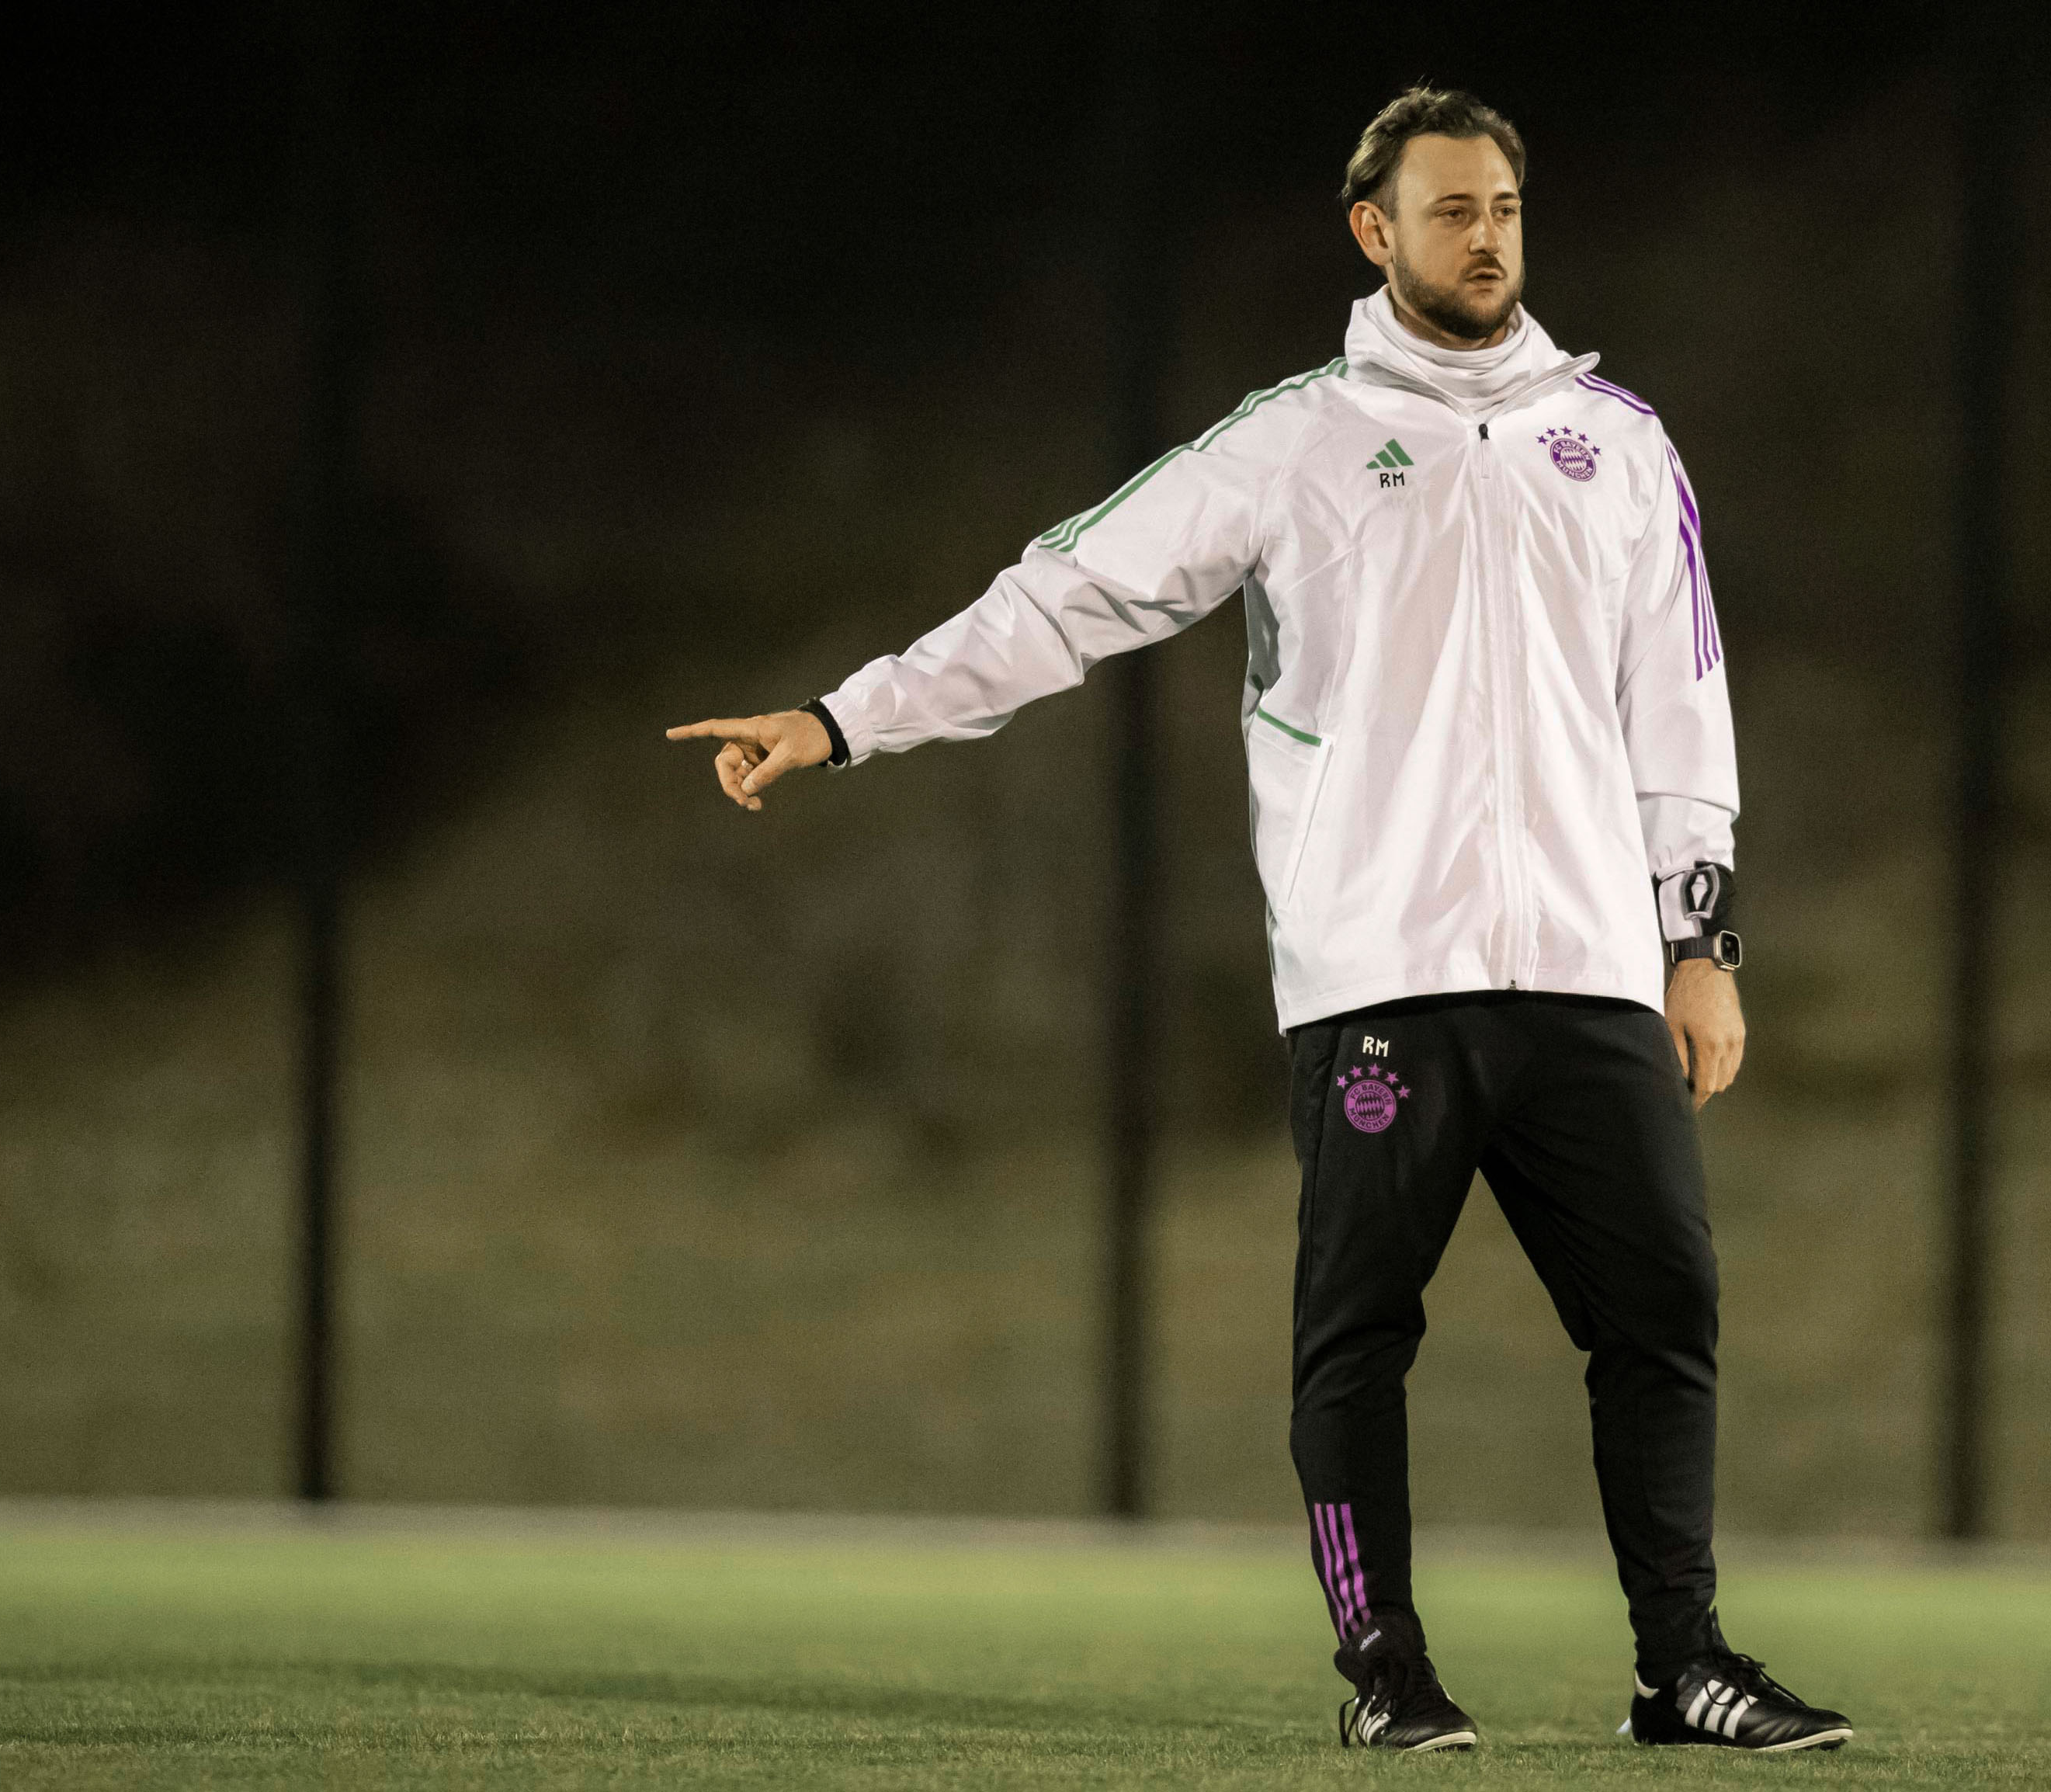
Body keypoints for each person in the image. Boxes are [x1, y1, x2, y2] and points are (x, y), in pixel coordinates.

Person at [668, 84, 1851, 1757]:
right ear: (1375, 232)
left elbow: (1686, 715)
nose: (1485, 236)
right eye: (1450, 209)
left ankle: (1686, 1666)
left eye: (1504, 206)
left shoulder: (1620, 441)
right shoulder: (1292, 437)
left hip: (1588, 974)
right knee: (1360, 1331)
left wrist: (1700, 942)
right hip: (1382, 978)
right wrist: (844, 715)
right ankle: (1386, 1665)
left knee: (1665, 1317)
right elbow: (1067, 592)